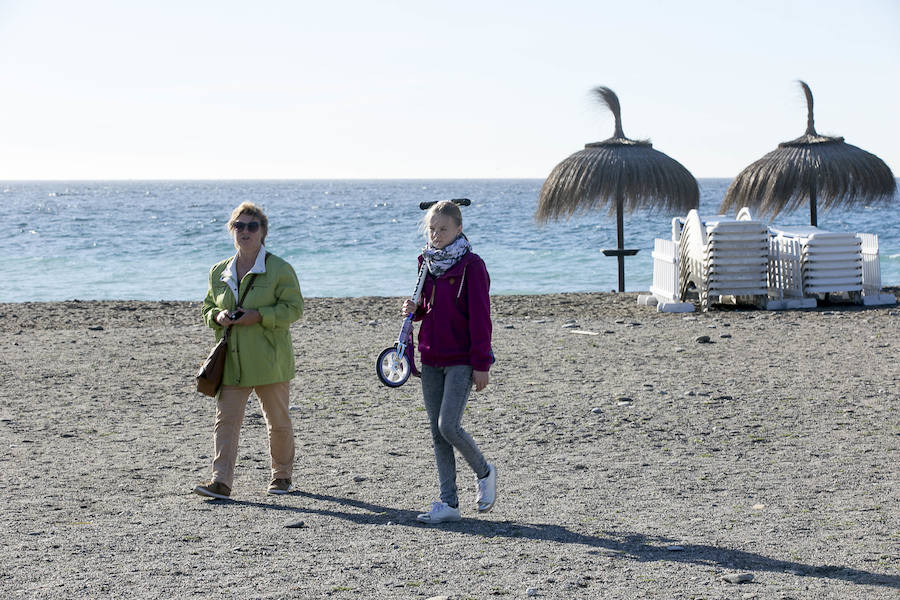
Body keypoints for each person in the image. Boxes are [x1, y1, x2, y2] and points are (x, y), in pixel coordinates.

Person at [194, 202, 304, 500]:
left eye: (252, 226)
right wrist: (217, 317)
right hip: (232, 360)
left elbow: (294, 309)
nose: (245, 231)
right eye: (239, 226)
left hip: (271, 360)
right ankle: (221, 482)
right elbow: (207, 307)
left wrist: (259, 315)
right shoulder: (219, 271)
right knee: (225, 421)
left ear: (262, 232)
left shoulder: (280, 269)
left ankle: (281, 477)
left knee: (278, 421)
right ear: (232, 230)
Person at [402, 200, 497, 524]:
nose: (436, 234)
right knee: (436, 432)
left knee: (448, 425)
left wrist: (482, 364)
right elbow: (427, 308)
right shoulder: (425, 262)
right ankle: (449, 503)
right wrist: (414, 311)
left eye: (443, 228)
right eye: (432, 228)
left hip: (462, 359)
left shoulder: (472, 265)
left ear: (458, 229)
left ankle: (484, 472)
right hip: (431, 356)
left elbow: (481, 319)